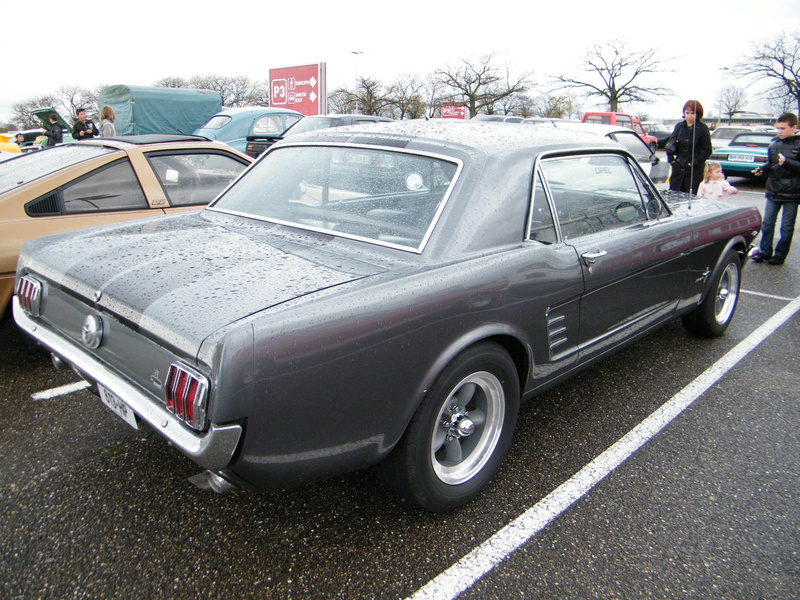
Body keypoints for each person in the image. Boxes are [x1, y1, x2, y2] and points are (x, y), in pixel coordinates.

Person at [750, 112, 800, 265]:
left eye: (783, 128)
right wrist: (763, 169)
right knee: (768, 222)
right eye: (778, 128)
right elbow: (772, 164)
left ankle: (780, 255)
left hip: (793, 191)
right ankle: (765, 252)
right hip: (773, 189)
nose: (779, 131)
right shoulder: (773, 143)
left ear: (794, 127)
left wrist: (787, 162)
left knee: (786, 227)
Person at [666, 100, 712, 194]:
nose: (689, 116)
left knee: (691, 196)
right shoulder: (680, 126)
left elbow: (707, 150)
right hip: (678, 167)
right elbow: (671, 144)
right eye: (687, 113)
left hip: (693, 170)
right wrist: (671, 160)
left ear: (698, 114)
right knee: (674, 195)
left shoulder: (702, 128)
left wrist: (694, 162)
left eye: (692, 113)